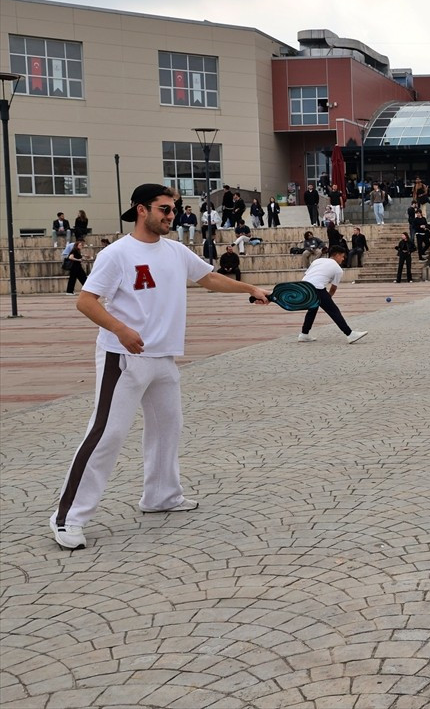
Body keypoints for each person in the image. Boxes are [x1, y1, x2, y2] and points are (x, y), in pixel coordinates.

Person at [50, 184, 270, 550]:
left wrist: (250, 288)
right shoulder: (117, 254)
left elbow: (208, 278)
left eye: (174, 209)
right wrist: (120, 330)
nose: (172, 215)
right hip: (123, 359)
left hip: (164, 358)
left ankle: (161, 496)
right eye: (165, 209)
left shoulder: (175, 250)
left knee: (168, 428)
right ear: (141, 210)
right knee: (106, 434)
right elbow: (86, 302)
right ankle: (66, 518)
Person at [296, 245, 367, 344]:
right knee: (334, 311)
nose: (343, 259)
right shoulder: (338, 269)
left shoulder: (317, 261)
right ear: (337, 255)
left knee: (312, 309)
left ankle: (304, 334)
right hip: (317, 288)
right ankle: (350, 334)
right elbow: (333, 288)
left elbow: (308, 274)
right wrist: (327, 299)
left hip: (304, 287)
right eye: (342, 256)